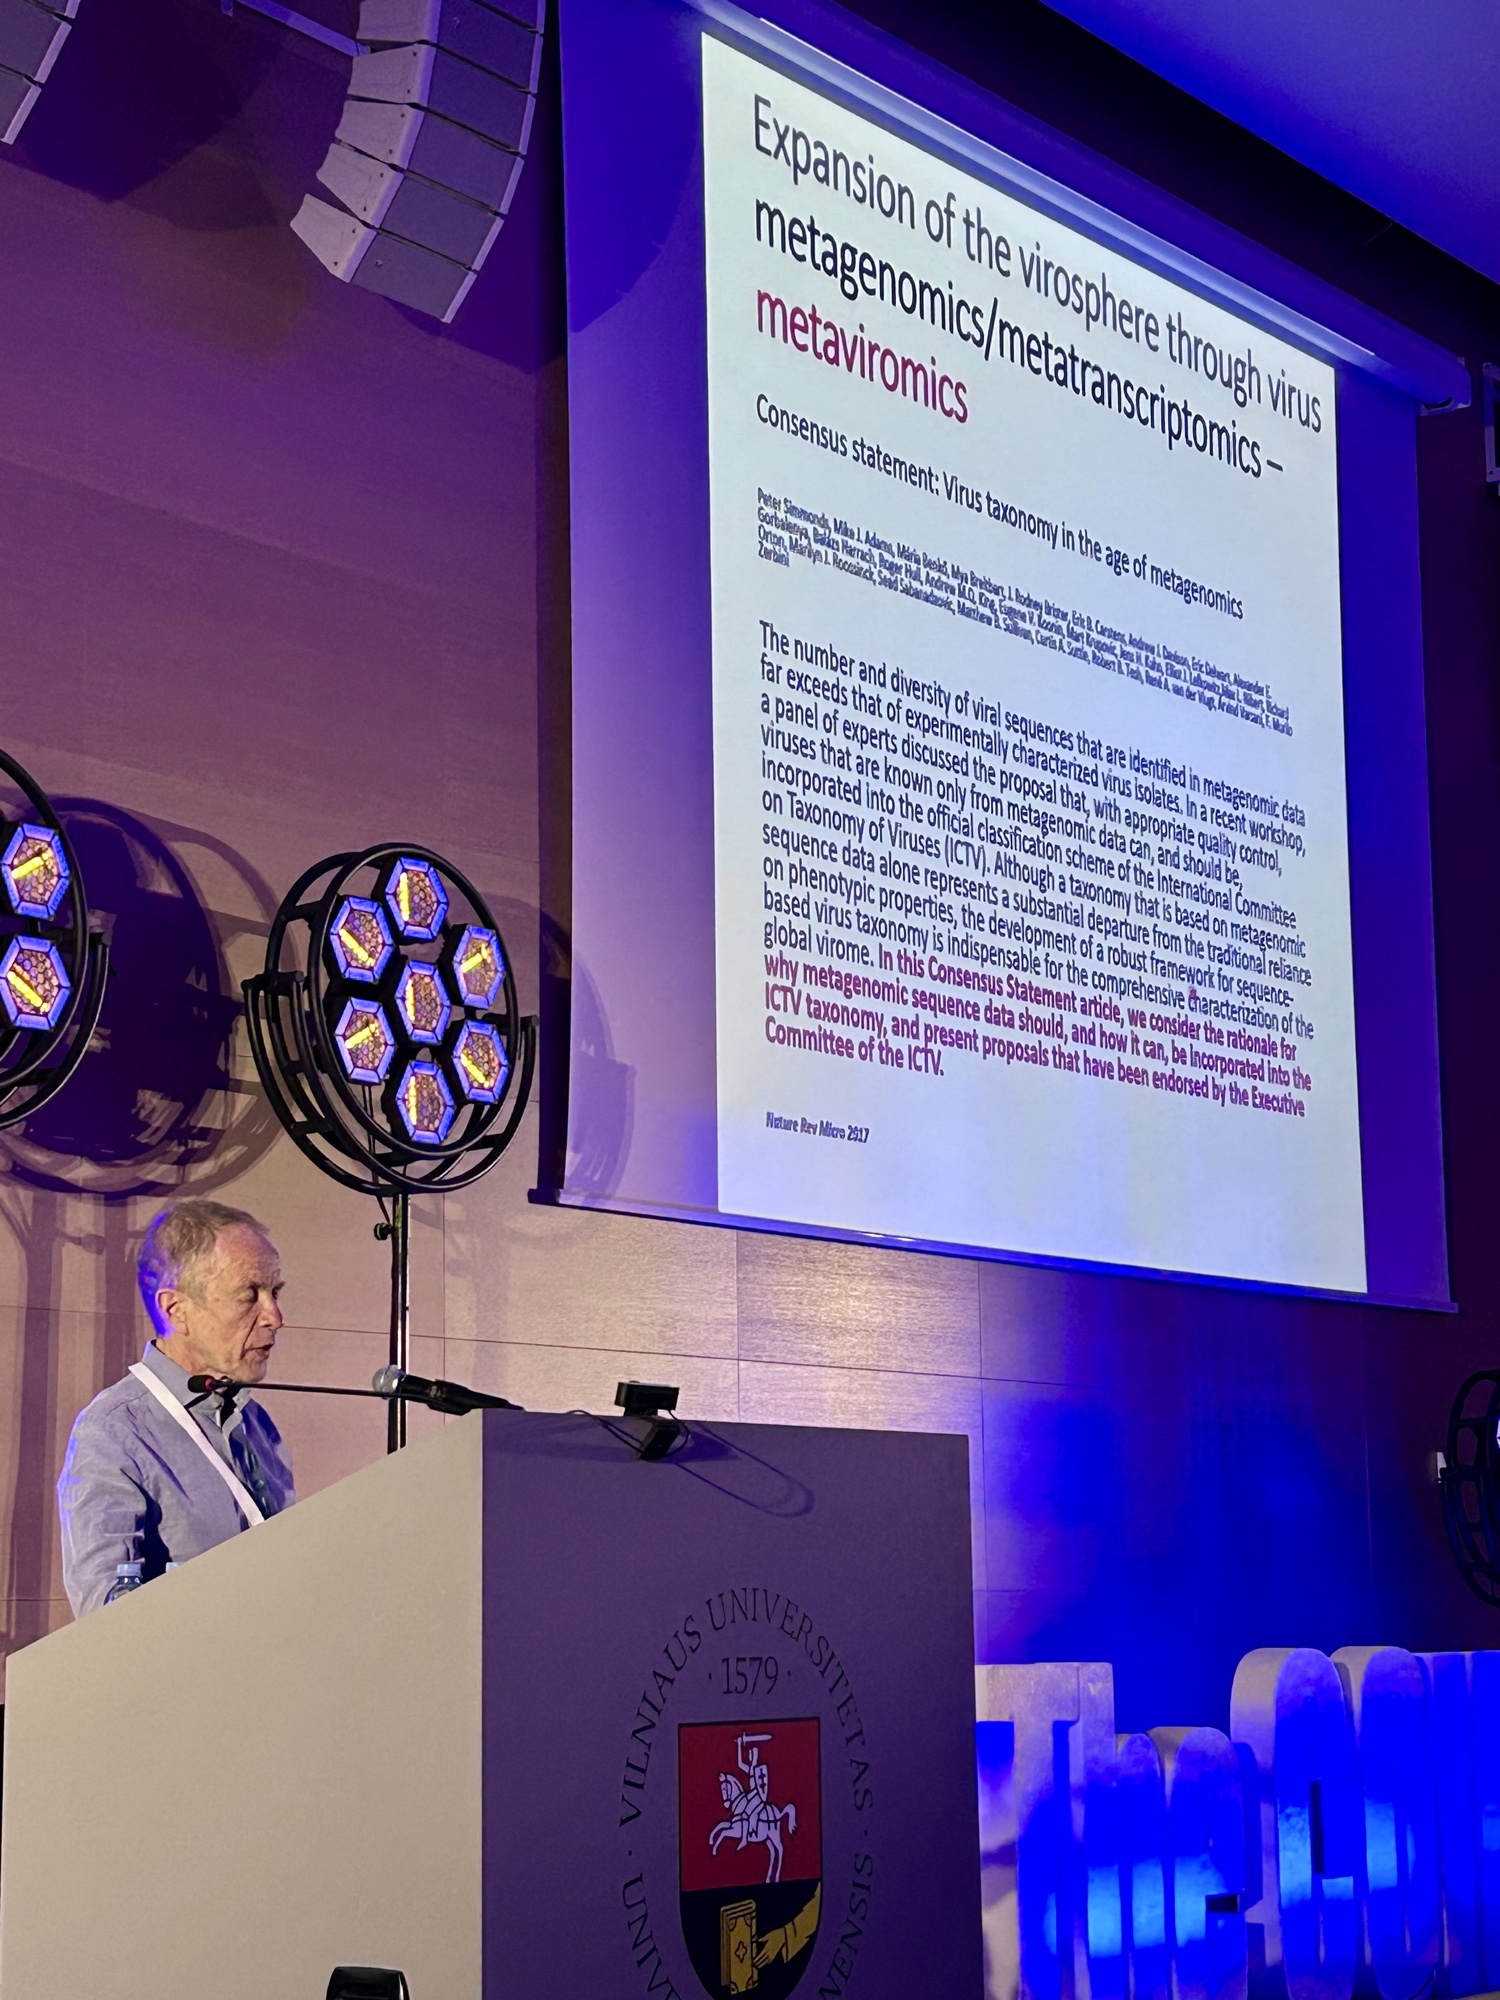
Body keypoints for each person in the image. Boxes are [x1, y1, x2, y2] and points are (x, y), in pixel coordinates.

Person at [57, 1198, 296, 1617]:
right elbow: (105, 1619)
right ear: (176, 1311)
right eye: (249, 1296)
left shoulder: (255, 1421)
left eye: (274, 1293)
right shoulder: (113, 1432)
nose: (274, 1316)